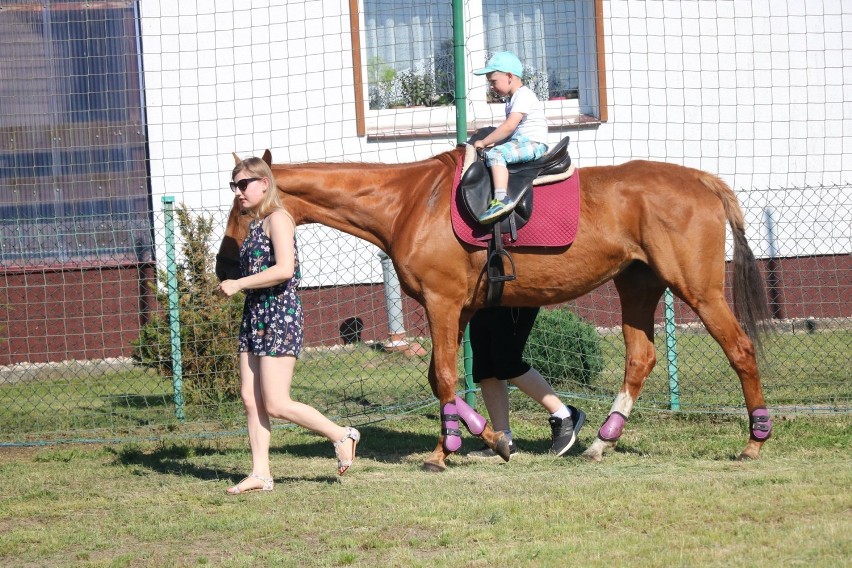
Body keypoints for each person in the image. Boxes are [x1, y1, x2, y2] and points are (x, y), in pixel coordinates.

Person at [218, 157, 360, 494]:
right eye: (234, 186)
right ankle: (261, 473)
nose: (238, 193)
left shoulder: (279, 219)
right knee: (250, 399)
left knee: (277, 403)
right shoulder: (254, 224)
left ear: (264, 184)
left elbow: (284, 269)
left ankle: (342, 434)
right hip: (255, 313)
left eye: (244, 185)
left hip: (279, 313)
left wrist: (239, 283)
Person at [467, 306, 585, 458]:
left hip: (513, 291)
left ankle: (565, 415)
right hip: (483, 293)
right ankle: (503, 439)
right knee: (484, 365)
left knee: (507, 362)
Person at [472, 51, 549, 224]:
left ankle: (501, 199)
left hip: (533, 143)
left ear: (509, 76)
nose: (491, 86)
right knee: (494, 151)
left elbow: (509, 127)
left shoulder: (523, 95)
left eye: (493, 81)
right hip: (522, 141)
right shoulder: (513, 99)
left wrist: (484, 142)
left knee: (496, 154)